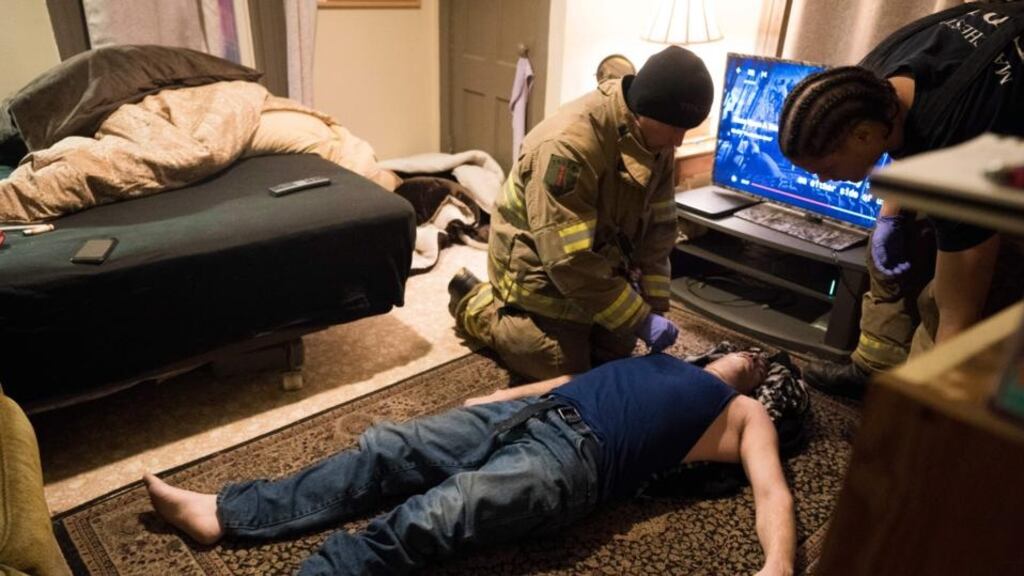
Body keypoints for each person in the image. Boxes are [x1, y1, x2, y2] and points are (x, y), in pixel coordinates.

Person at [145, 352, 795, 576]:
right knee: (385, 449)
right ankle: (226, 512)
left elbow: (774, 495)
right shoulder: (669, 359)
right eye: (751, 353)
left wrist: (779, 564)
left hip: (572, 464)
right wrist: (500, 397)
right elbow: (576, 375)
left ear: (762, 386)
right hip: (525, 415)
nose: (750, 358)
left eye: (764, 365)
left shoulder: (741, 414)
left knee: (436, 514)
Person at [777, 3, 1024, 397]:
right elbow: (908, 139)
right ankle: (873, 369)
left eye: (824, 167)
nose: (822, 179)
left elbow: (960, 314)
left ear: (861, 136)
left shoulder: (957, 150)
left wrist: (922, 416)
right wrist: (890, 220)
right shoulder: (872, 83)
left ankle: (909, 400)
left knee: (943, 300)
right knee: (888, 239)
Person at [448, 45, 715, 380]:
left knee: (614, 351)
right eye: (676, 129)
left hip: (600, 261)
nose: (679, 141)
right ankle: (480, 305)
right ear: (645, 112)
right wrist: (640, 318)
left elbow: (659, 229)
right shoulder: (568, 147)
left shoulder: (656, 140)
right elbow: (568, 261)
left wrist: (654, 307)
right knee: (558, 367)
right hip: (538, 268)